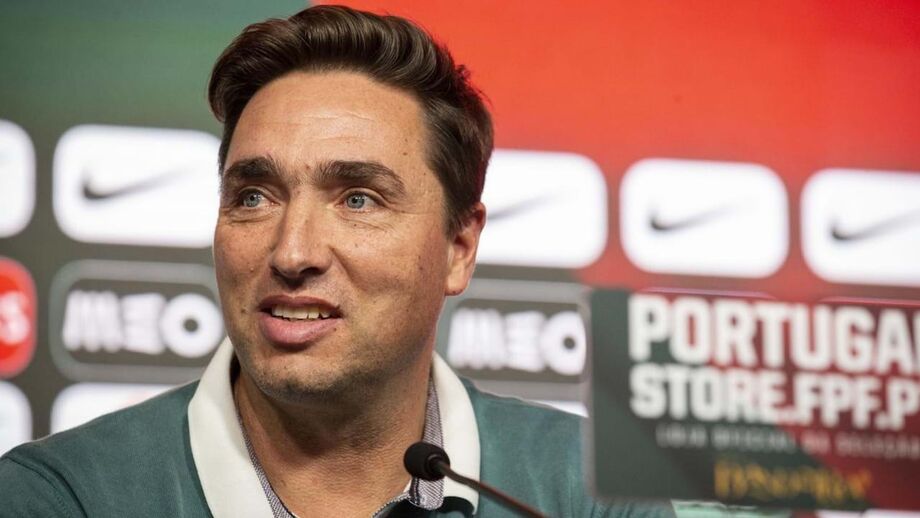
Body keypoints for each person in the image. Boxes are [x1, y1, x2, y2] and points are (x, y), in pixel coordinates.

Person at [0, 6, 674, 517]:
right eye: (254, 196)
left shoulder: (587, 492)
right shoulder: (61, 496)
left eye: (358, 199)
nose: (292, 252)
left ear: (458, 248)